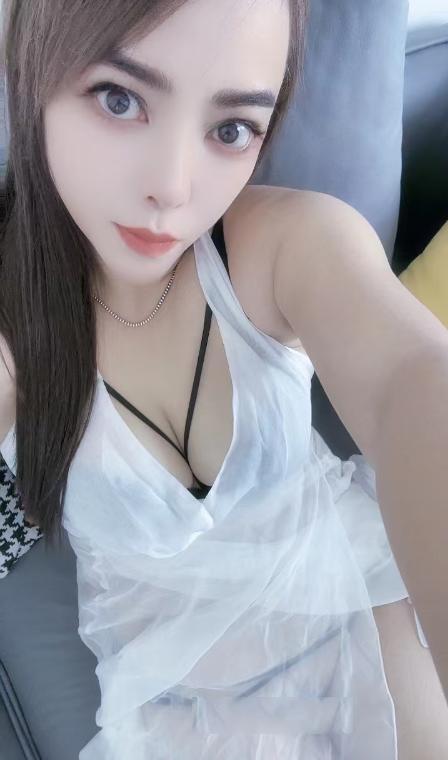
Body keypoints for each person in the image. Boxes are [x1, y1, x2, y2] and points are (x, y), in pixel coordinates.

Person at [1, 0, 448, 757]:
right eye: (120, 99)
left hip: (354, 612)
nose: (173, 188)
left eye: (231, 129)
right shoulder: (15, 329)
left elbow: (411, 381)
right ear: (31, 67)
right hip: (178, 700)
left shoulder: (283, 244)